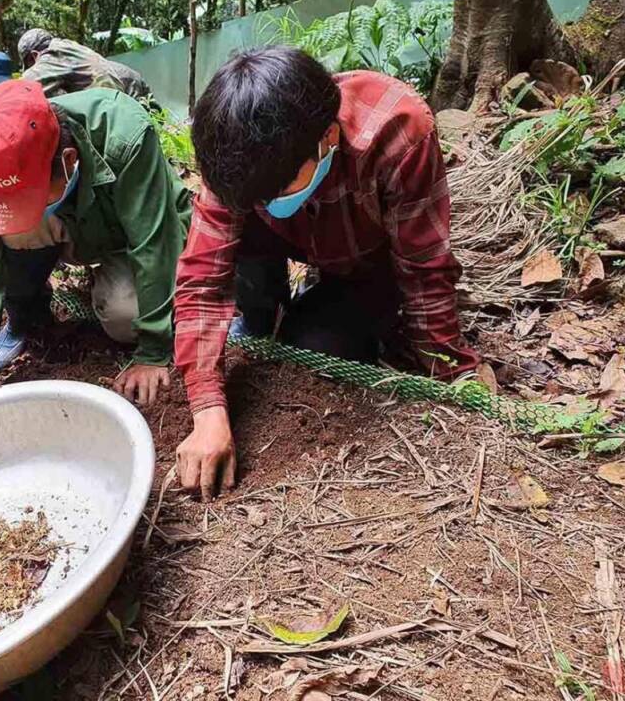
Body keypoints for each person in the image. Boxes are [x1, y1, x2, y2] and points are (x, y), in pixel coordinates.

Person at [173, 46, 481, 500]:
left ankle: (321, 308)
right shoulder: (235, 153)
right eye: (252, 196)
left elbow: (423, 267)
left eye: (276, 189)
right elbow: (203, 276)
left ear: (328, 137)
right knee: (260, 326)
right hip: (276, 244)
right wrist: (207, 409)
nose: (264, 200)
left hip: (367, 261)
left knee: (318, 346)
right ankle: (261, 313)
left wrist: (450, 370)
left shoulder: (398, 133)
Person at [0, 79, 191, 404]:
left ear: (69, 160)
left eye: (28, 200)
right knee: (8, 229)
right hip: (71, 230)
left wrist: (153, 351)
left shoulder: (122, 131)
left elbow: (153, 238)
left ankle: (122, 291)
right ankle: (28, 319)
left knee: (124, 316)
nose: (23, 211)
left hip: (127, 232)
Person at [18, 28, 154, 104]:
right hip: (127, 105)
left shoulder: (52, 55)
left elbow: (19, 90)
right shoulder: (70, 47)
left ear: (34, 56)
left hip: (111, 116)